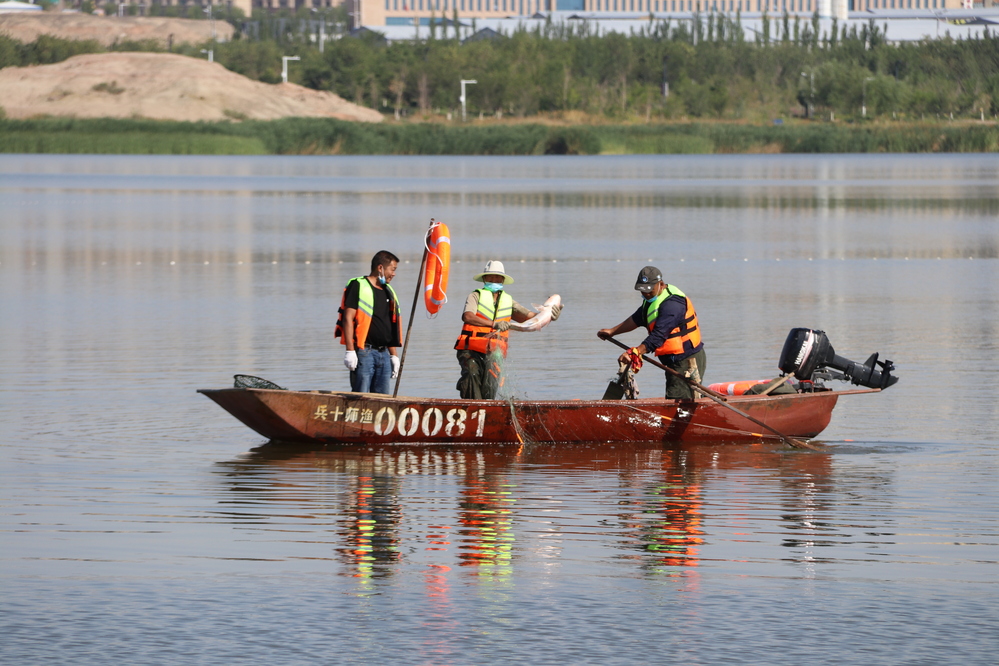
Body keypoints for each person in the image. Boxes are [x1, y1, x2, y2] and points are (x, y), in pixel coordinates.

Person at [454, 260, 562, 400]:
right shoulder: (475, 296)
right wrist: (494, 324)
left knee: (490, 386)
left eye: (498, 277)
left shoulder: (508, 301)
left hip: (494, 353)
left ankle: (487, 413)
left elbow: (530, 317)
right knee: (472, 374)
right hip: (471, 350)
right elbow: (467, 316)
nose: (494, 279)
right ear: (484, 279)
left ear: (503, 280)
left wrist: (550, 316)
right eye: (491, 277)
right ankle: (473, 410)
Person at [597, 266, 705, 400]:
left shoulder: (672, 304)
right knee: (678, 396)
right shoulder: (652, 300)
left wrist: (636, 352)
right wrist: (612, 331)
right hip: (673, 359)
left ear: (660, 284)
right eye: (642, 291)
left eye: (649, 291)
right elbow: (638, 318)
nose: (645, 294)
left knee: (677, 399)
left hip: (686, 360)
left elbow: (659, 335)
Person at [335, 250, 403, 394]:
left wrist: (394, 355)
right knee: (361, 395)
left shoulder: (387, 290)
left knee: (382, 399)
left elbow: (390, 325)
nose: (394, 274)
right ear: (380, 268)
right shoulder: (358, 285)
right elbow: (348, 318)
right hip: (365, 352)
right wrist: (350, 350)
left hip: (383, 353)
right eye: (393, 269)